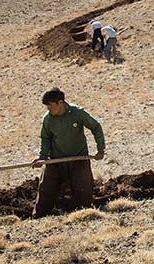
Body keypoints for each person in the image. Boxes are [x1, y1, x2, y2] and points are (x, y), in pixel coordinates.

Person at [31, 88, 104, 218]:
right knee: (45, 189)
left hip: (78, 158)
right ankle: (38, 217)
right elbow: (45, 139)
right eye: (46, 106)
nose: (48, 109)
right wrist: (42, 157)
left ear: (60, 103)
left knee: (83, 190)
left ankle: (86, 215)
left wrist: (100, 149)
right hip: (55, 160)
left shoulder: (77, 113)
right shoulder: (48, 119)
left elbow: (95, 127)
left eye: (50, 105)